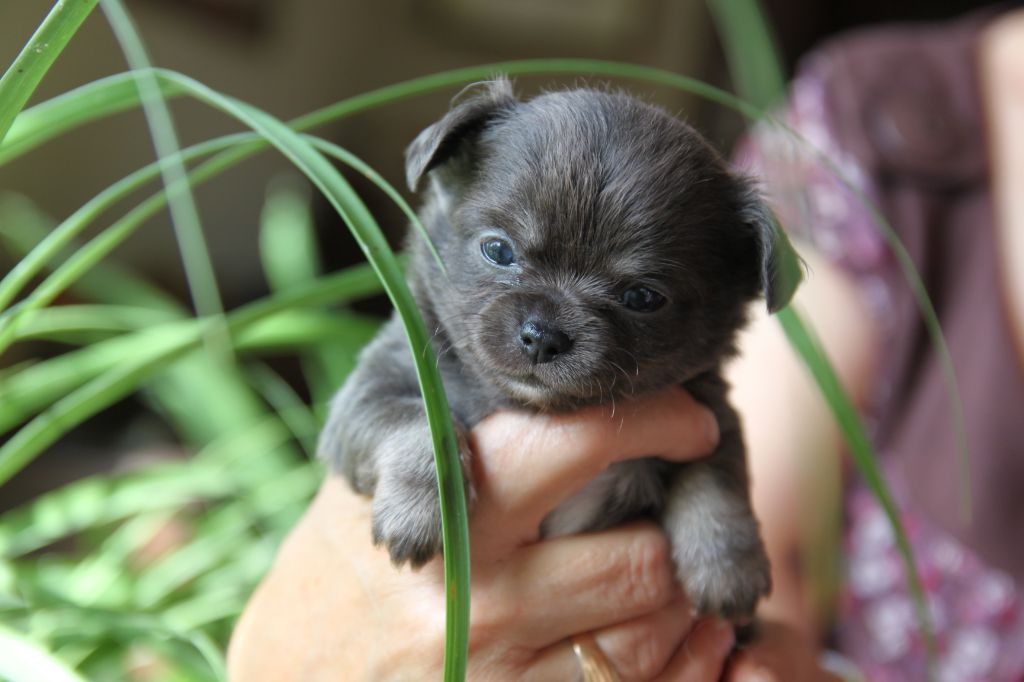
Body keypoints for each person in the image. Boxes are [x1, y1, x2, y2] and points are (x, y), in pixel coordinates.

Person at [227, 9, 1024, 680]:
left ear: (741, 293)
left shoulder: (686, 397)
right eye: (501, 254)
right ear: (444, 182)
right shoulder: (877, 124)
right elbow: (360, 419)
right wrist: (415, 455)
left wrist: (711, 518)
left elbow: (713, 478)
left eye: (637, 297)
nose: (540, 328)